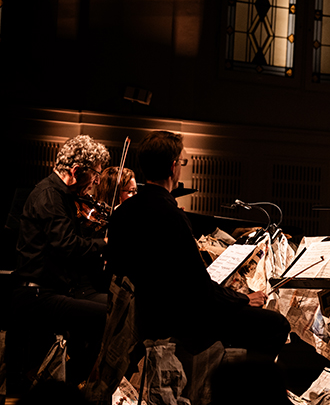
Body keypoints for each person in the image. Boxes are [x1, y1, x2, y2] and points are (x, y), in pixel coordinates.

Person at [106, 130, 290, 362]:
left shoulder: (122, 213)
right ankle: (246, 392)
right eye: (182, 162)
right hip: (177, 318)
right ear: (173, 167)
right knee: (275, 325)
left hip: (138, 315)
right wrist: (243, 298)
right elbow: (200, 291)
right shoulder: (172, 216)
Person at [10, 134, 110, 384]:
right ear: (76, 170)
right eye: (95, 175)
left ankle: (72, 386)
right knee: (107, 319)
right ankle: (70, 389)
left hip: (58, 290)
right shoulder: (49, 196)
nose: (96, 182)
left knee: (113, 311)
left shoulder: (63, 196)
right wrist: (105, 244)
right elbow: (66, 245)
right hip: (37, 295)